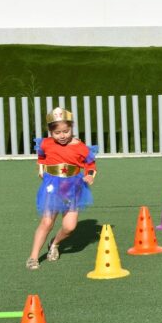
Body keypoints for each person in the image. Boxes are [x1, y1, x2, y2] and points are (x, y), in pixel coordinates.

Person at [26, 108, 97, 270]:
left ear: (72, 127)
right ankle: (34, 256)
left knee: (69, 227)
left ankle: (54, 243)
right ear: (50, 131)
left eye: (66, 131)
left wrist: (90, 175)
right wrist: (41, 170)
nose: (62, 135)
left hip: (73, 187)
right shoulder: (45, 143)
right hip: (52, 187)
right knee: (47, 222)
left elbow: (90, 164)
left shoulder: (80, 147)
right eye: (57, 132)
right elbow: (41, 156)